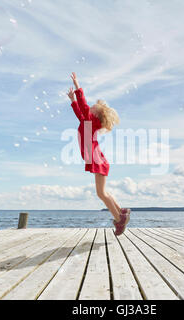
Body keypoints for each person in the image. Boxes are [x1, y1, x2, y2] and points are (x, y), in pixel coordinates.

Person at [67, 72, 130, 236]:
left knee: (101, 193)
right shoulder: (87, 122)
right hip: (97, 159)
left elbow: (84, 106)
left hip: (97, 159)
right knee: (103, 192)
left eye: (93, 108)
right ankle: (121, 212)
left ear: (95, 115)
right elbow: (80, 113)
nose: (90, 107)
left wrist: (77, 86)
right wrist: (73, 101)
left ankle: (119, 220)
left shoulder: (91, 120)